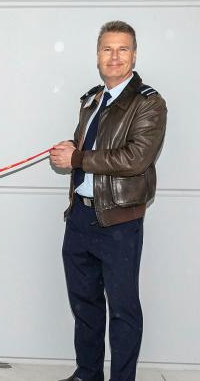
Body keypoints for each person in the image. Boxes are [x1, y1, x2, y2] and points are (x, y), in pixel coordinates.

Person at [50, 20, 167, 381]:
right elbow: (86, 149)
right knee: (85, 306)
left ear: (134, 54)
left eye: (122, 49)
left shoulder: (149, 103)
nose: (114, 57)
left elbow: (135, 159)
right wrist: (71, 148)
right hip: (81, 220)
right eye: (107, 49)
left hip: (119, 222)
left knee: (123, 311)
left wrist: (79, 158)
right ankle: (87, 373)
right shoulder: (91, 100)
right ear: (98, 56)